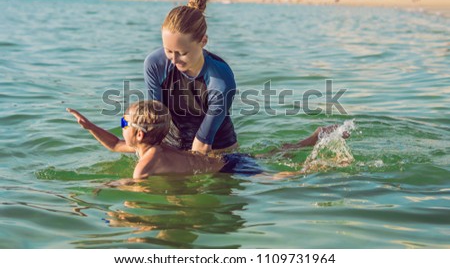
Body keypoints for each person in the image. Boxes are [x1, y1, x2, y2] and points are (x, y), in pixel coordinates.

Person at [67, 100, 347, 180]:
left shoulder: (146, 162)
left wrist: (111, 187)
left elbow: (136, 188)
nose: (121, 128)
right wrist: (89, 126)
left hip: (228, 169)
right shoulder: (150, 149)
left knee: (280, 177)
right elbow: (116, 144)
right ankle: (313, 138)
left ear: (139, 134)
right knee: (271, 154)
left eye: (123, 123)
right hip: (223, 160)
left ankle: (322, 167)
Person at [144, 0, 237, 155]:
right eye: (168, 51)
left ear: (203, 41)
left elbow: (202, 145)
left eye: (182, 53)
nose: (174, 59)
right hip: (172, 142)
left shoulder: (220, 78)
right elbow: (156, 120)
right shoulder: (155, 64)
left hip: (216, 148)